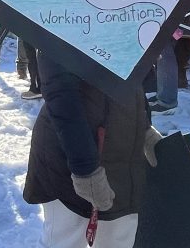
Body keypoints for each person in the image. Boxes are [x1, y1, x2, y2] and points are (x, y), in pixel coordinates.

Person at [23, 50, 160, 247]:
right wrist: (85, 171)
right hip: (68, 158)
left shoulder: (128, 23)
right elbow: (61, 94)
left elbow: (132, 82)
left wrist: (144, 127)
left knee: (119, 238)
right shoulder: (62, 24)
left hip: (123, 154)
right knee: (66, 238)